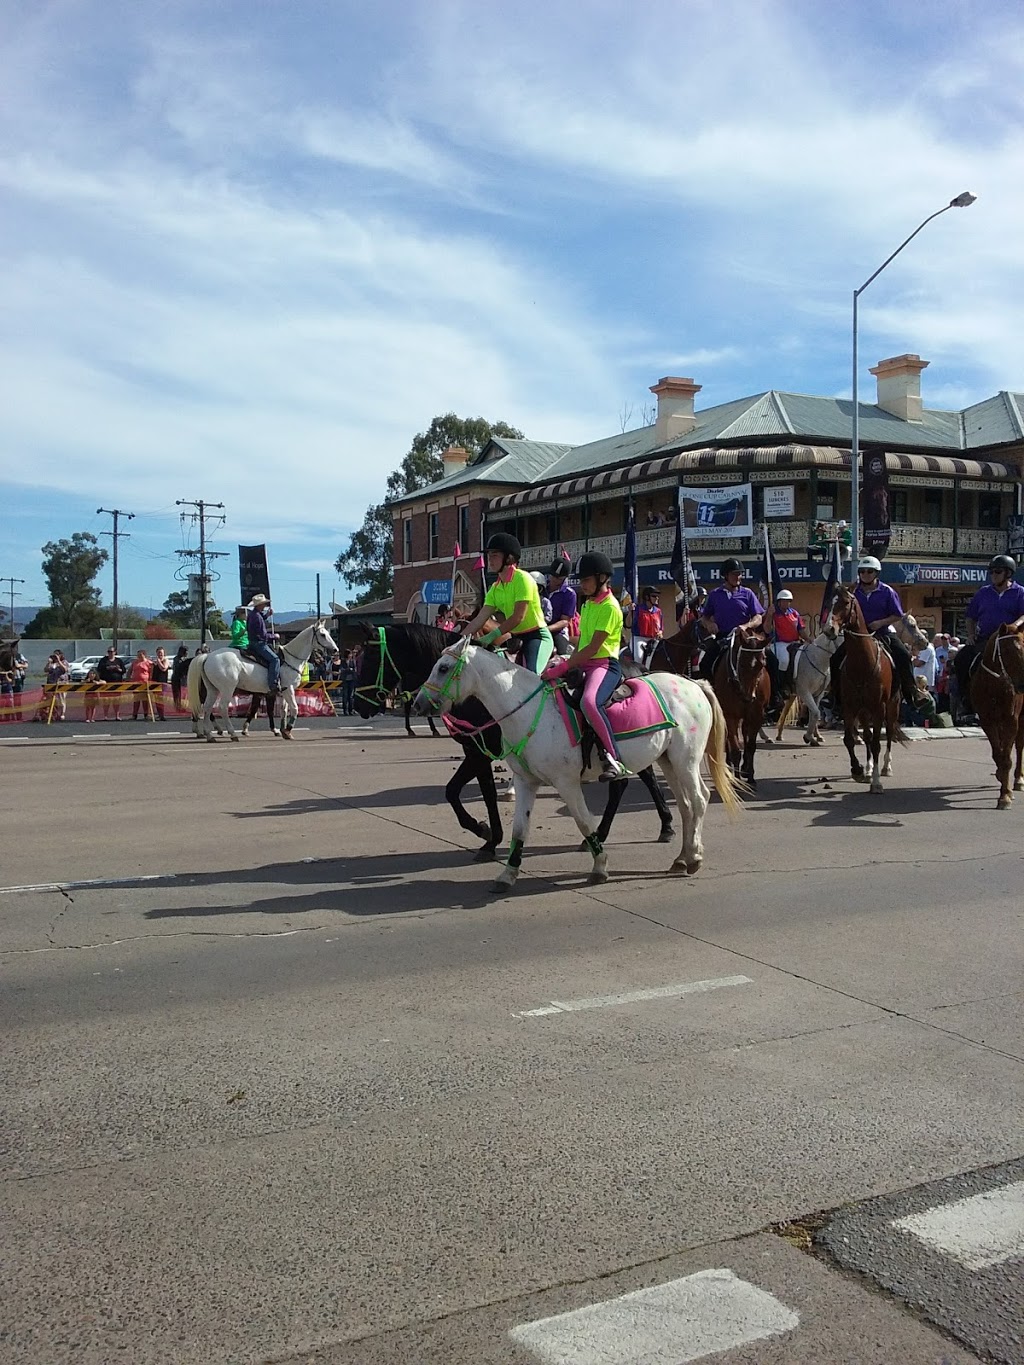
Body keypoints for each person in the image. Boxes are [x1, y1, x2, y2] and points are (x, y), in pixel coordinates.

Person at [542, 551, 628, 781]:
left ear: (602, 578)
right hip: (585, 662)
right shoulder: (588, 604)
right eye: (581, 580)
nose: (583, 585)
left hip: (605, 665)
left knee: (589, 703)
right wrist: (562, 659)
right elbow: (582, 643)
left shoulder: (611, 607)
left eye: (587, 580)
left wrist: (564, 666)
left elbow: (593, 648)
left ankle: (614, 758)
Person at [830, 556, 933, 717]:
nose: (865, 574)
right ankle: (833, 698)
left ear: (876, 573)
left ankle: (912, 694)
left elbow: (898, 614)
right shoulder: (853, 592)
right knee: (835, 658)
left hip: (883, 632)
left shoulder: (887, 591)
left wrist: (880, 623)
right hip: (858, 635)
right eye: (862, 571)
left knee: (903, 655)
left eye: (869, 571)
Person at [459, 534, 554, 673]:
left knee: (532, 675)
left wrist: (492, 636)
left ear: (509, 558)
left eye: (495, 555)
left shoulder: (523, 579)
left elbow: (518, 617)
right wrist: (459, 640)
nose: (489, 560)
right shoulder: (494, 588)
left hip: (537, 637)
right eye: (489, 555)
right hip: (515, 639)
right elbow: (480, 619)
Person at [699, 559, 780, 705]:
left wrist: (746, 625)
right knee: (705, 664)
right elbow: (704, 617)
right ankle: (709, 699)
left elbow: (758, 617)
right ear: (725, 576)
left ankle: (775, 698)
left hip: (746, 638)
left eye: (740, 574)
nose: (738, 577)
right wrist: (709, 623)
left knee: (772, 660)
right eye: (735, 574)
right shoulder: (715, 594)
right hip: (724, 636)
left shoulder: (747, 594)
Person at [952, 555, 1024, 713]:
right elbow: (970, 617)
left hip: (1011, 639)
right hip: (986, 639)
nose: (993, 575)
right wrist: (970, 636)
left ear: (1008, 574)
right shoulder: (983, 593)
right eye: (991, 572)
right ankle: (965, 699)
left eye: (997, 572)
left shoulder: (1019, 592)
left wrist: (1014, 626)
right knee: (961, 659)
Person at [772, 589, 809, 696]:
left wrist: (809, 640)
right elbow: (768, 629)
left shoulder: (794, 613)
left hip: (795, 642)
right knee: (784, 660)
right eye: (784, 601)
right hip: (780, 643)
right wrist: (769, 615)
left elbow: (801, 630)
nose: (786, 603)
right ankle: (782, 685)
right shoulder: (774, 614)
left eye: (788, 601)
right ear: (779, 602)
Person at [245, 594, 281, 693]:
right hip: (259, 643)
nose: (265, 605)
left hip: (251, 642)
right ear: (260, 605)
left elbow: (259, 620)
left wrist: (267, 615)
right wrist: (275, 636)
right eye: (264, 604)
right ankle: (272, 684)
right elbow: (263, 635)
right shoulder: (257, 617)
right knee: (275, 659)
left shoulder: (252, 615)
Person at [546, 558, 578, 657]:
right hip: (536, 627)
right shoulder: (540, 587)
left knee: (562, 654)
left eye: (559, 578)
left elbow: (565, 621)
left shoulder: (570, 594)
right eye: (553, 576)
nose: (554, 580)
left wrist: (547, 629)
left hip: (558, 632)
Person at [633, 586, 664, 668]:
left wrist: (660, 632)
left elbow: (661, 627)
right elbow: (630, 624)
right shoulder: (638, 609)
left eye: (657, 596)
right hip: (640, 639)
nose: (657, 598)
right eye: (654, 596)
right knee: (639, 657)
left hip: (654, 640)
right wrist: (630, 612)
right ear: (647, 597)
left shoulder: (658, 611)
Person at [96, 645, 127, 720]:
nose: (110, 653)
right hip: (106, 683)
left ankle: (117, 715)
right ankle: (105, 716)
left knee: (116, 700)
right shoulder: (103, 660)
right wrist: (108, 668)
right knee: (106, 700)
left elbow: (123, 670)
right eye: (109, 652)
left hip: (117, 684)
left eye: (111, 652)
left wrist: (118, 669)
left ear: (115, 652)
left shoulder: (119, 661)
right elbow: (99, 669)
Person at [130, 649, 153, 719]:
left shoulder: (149, 663)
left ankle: (146, 714)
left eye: (140, 655)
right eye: (138, 655)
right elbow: (130, 671)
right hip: (136, 683)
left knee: (145, 700)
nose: (139, 656)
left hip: (145, 683)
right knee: (136, 699)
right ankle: (134, 715)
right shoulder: (134, 663)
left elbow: (151, 673)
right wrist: (129, 678)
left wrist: (150, 681)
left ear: (144, 655)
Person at [150, 646, 169, 720]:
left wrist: (159, 662)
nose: (159, 654)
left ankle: (162, 715)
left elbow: (164, 668)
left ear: (164, 653)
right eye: (158, 653)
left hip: (162, 682)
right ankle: (159, 714)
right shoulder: (155, 661)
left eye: (161, 653)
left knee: (161, 699)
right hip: (155, 682)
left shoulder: (165, 660)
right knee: (156, 699)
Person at [170, 643, 190, 713]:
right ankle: (178, 707)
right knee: (177, 693)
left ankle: (184, 706)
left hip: (184, 679)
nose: (187, 653)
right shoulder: (176, 659)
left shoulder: (185, 659)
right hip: (176, 679)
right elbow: (179, 667)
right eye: (186, 651)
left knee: (184, 693)